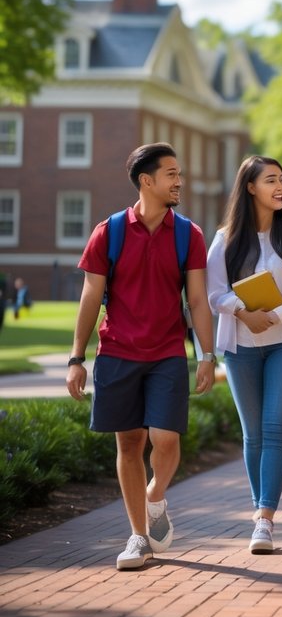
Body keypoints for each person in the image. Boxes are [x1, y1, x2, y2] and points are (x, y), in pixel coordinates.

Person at [65, 142, 216, 570]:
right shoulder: (108, 232)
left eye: (179, 173)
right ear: (147, 181)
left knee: (166, 439)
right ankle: (137, 537)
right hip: (117, 352)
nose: (179, 181)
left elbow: (198, 300)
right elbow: (90, 297)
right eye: (172, 174)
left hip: (167, 351)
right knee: (129, 444)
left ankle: (155, 496)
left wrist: (207, 354)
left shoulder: (189, 234)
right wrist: (76, 358)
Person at [206, 156, 282, 554]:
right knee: (253, 433)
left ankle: (264, 518)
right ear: (250, 187)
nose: (280, 186)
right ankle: (260, 510)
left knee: (274, 428)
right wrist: (243, 311)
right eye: (270, 180)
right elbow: (214, 293)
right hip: (241, 345)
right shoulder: (225, 239)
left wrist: (279, 312)